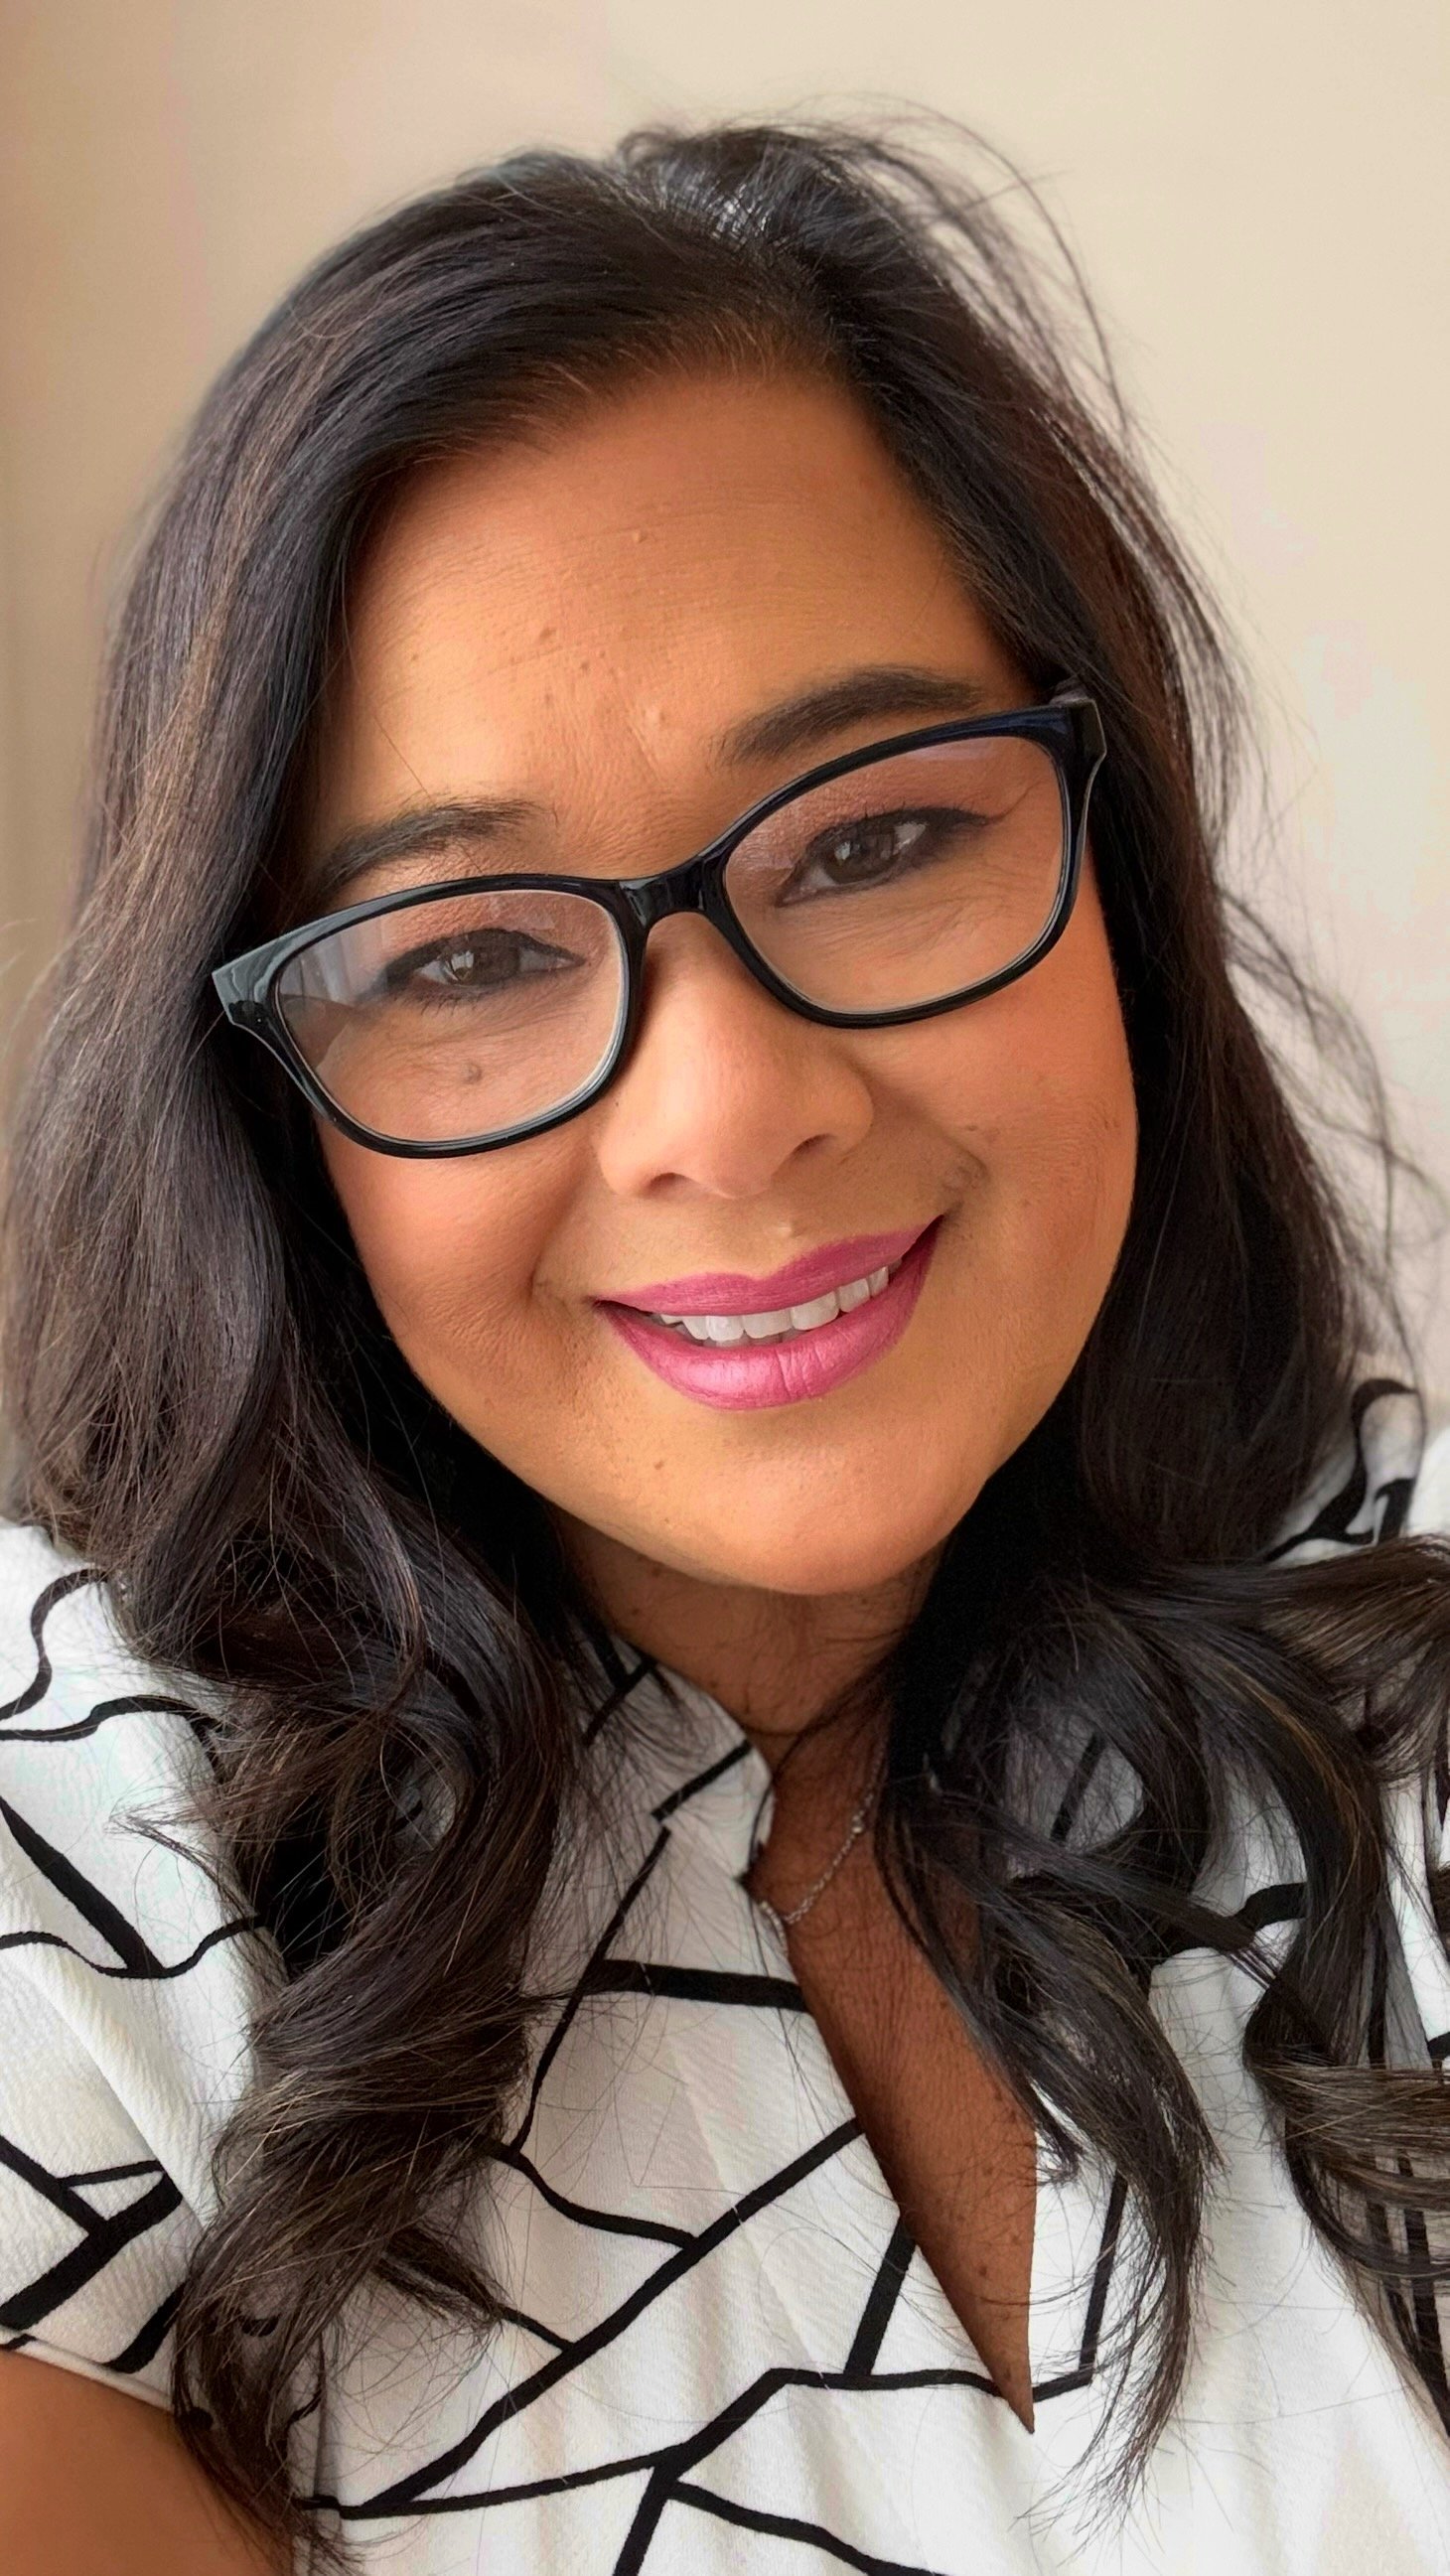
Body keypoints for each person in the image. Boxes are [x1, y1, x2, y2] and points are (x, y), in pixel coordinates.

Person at [0, 116, 1447, 2576]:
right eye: (459, 952)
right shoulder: (89, 1890)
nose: (732, 1107)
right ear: (259, 1105)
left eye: (877, 837)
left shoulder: (1392, 1664)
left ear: (1110, 847)